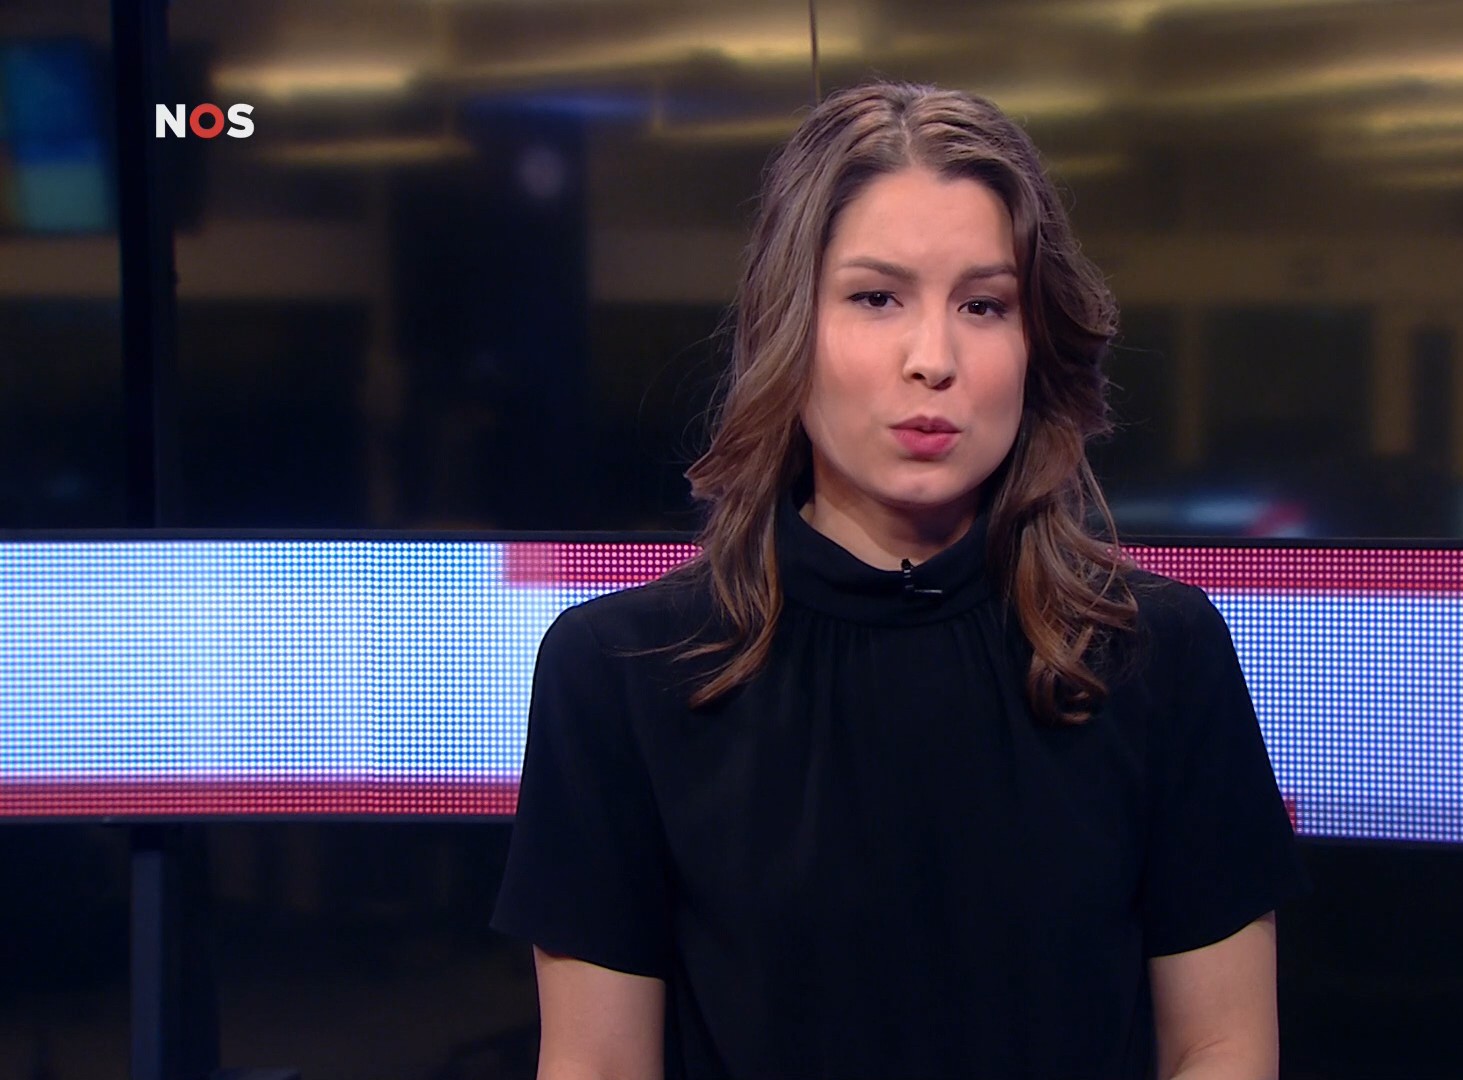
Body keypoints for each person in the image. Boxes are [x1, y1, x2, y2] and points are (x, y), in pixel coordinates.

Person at [490, 80, 1306, 1080]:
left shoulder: (1155, 654)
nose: (933, 359)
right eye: (877, 298)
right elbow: (599, 1065)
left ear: (1034, 342)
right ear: (789, 326)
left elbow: (1220, 1046)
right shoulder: (619, 671)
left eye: (983, 305)